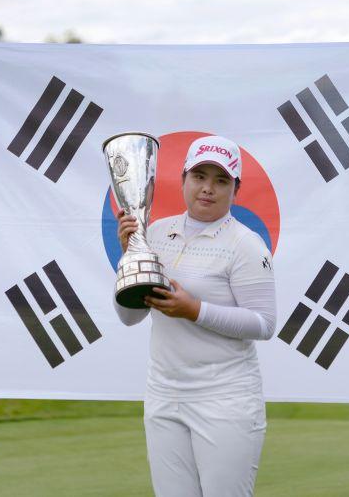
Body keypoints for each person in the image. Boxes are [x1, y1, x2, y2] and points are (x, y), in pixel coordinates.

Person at [115, 135, 277, 497]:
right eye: (199, 176)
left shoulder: (245, 244)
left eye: (221, 180)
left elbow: (264, 324)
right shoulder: (154, 233)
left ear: (236, 188)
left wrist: (195, 311)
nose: (208, 189)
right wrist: (131, 257)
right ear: (184, 178)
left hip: (226, 398)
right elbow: (130, 318)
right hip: (164, 394)